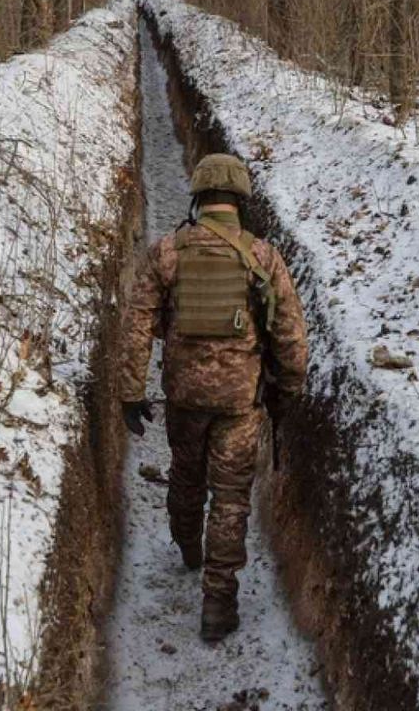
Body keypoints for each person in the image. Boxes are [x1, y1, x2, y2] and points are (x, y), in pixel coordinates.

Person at [117, 152, 309, 642]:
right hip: (239, 402)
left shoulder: (167, 252)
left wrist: (130, 392)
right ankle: (218, 603)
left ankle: (187, 544)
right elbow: (290, 337)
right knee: (230, 498)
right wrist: (288, 391)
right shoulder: (262, 258)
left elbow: (137, 323)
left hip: (183, 396)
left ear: (199, 196)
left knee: (185, 473)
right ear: (240, 199)